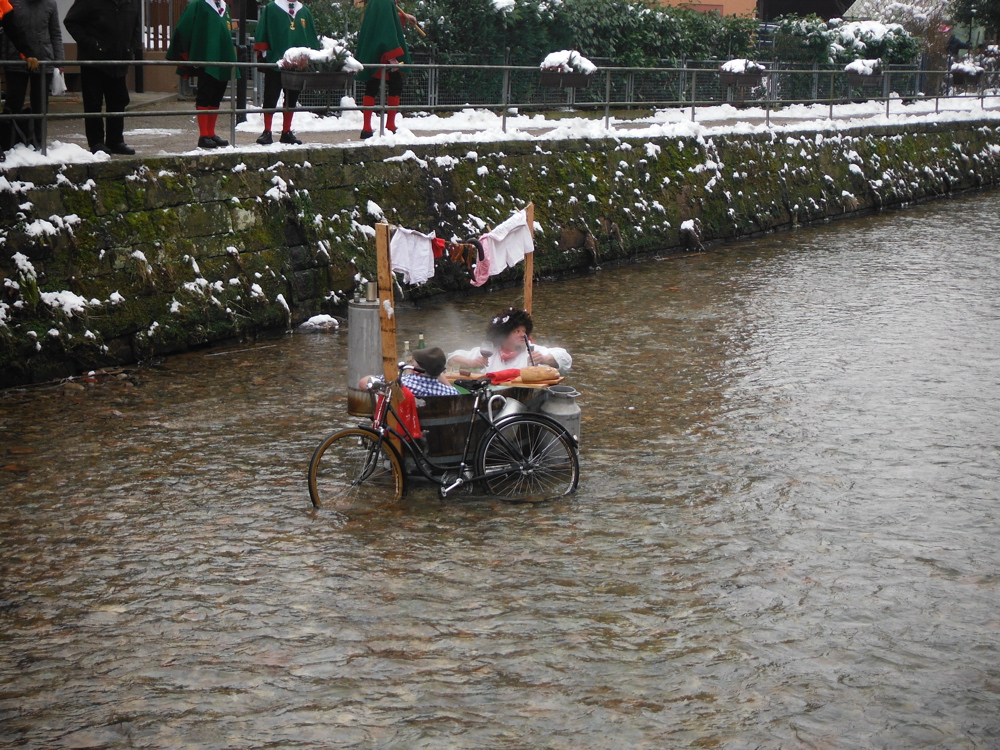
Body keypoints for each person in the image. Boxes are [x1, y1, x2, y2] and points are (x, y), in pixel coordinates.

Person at [64, 0, 142, 155]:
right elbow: (71, 22)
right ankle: (96, 142)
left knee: (118, 101)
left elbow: (136, 26)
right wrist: (91, 44)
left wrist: (131, 48)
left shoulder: (131, 2)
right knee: (93, 103)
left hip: (119, 61)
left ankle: (115, 141)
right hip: (94, 61)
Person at [166, 0, 239, 149]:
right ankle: (203, 135)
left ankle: (211, 133)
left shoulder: (225, 7)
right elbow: (183, 29)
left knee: (217, 95)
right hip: (206, 56)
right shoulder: (197, 4)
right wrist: (188, 54)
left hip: (223, 56)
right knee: (205, 94)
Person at [252, 0, 319, 146]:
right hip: (277, 60)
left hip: (297, 65)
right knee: (270, 96)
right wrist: (265, 53)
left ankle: (286, 131)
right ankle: (267, 131)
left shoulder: (304, 11)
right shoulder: (272, 8)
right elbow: (263, 30)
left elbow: (310, 36)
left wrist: (310, 57)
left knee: (291, 98)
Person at [0, 0, 61, 151]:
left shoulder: (50, 4)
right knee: (13, 103)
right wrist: (4, 60)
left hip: (43, 59)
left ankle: (39, 143)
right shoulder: (11, 2)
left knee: (40, 104)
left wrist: (59, 61)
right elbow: (7, 31)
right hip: (15, 60)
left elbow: (55, 33)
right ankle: (7, 143)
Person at [354, 0, 418, 139]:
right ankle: (389, 125)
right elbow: (386, 29)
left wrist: (402, 17)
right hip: (383, 53)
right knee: (395, 85)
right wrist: (392, 56)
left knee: (372, 86)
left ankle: (367, 128)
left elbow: (384, 21)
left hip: (374, 49)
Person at [448, 307, 572, 375]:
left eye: (524, 331)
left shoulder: (532, 351)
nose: (523, 335)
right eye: (517, 331)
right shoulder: (490, 352)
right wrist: (470, 363)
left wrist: (545, 359)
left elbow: (566, 359)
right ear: (503, 334)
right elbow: (451, 358)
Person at [359, 346, 459, 397]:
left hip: (402, 429)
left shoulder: (400, 384)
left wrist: (394, 376)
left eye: (412, 362)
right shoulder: (450, 392)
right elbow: (457, 395)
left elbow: (363, 383)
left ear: (416, 371)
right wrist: (445, 381)